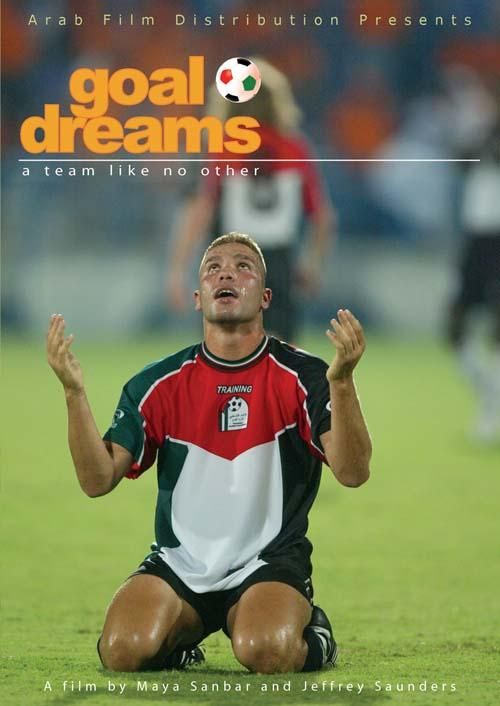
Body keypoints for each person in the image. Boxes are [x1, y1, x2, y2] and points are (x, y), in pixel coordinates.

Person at [47, 232, 372, 673]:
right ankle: (178, 643)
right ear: (198, 298)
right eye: (213, 267)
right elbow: (97, 479)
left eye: (243, 267)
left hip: (268, 563)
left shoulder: (305, 375)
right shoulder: (157, 383)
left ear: (266, 297)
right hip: (181, 565)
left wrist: (343, 382)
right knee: (122, 650)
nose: (226, 274)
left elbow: (353, 472)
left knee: (266, 650)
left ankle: (316, 635)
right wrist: (73, 393)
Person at [166, 58, 336, 342]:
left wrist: (178, 269)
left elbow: (200, 210)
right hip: (279, 263)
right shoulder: (295, 147)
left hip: (228, 262)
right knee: (283, 355)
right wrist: (312, 263)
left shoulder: (223, 146)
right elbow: (322, 217)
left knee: (224, 351)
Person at [447, 114, 500, 441]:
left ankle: (491, 413)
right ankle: (490, 395)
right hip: (475, 239)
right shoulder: (483, 133)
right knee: (454, 327)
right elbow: (459, 160)